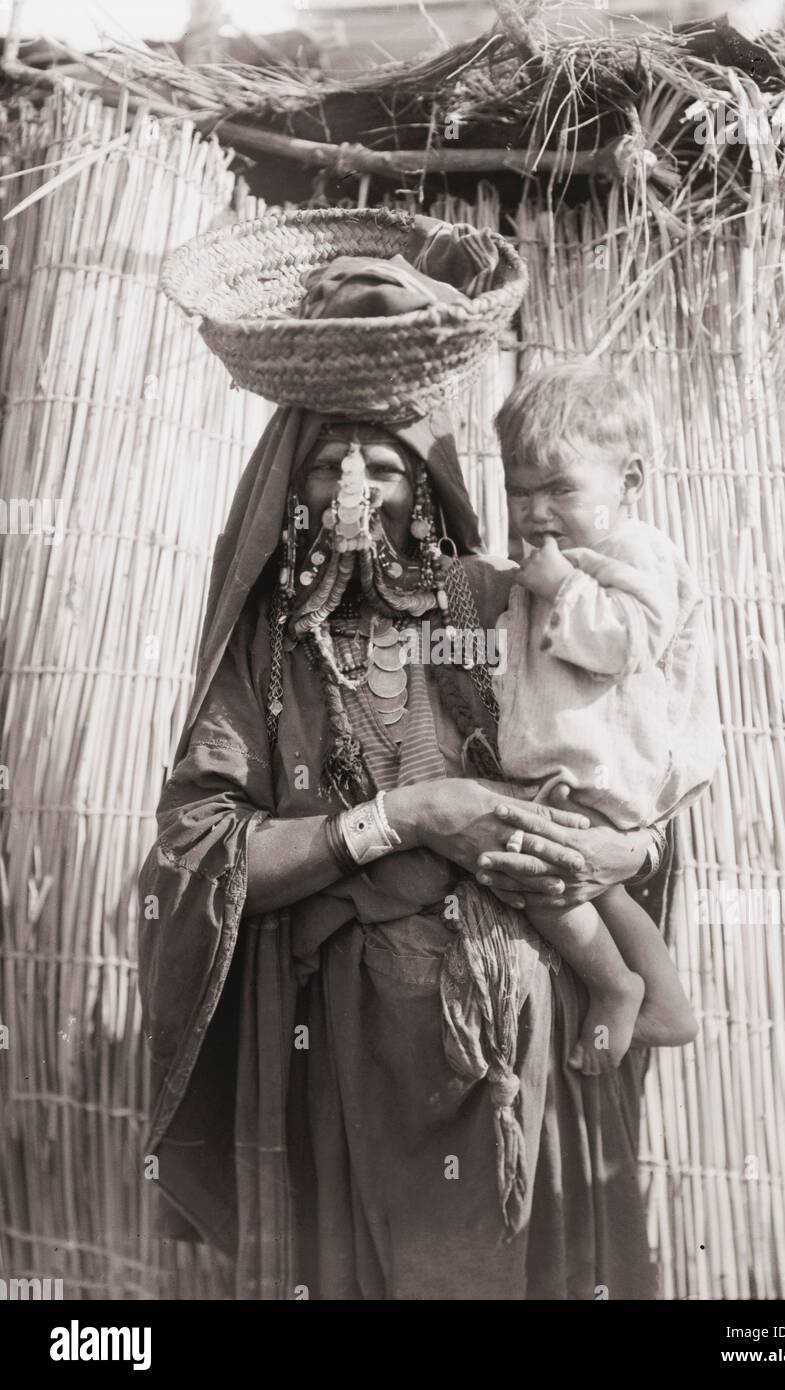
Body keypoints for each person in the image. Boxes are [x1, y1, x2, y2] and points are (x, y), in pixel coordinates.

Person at [138, 215, 675, 1299]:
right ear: (288, 482)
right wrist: (408, 814)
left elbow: (630, 768)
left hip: (536, 1034)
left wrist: (619, 853)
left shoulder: (504, 600)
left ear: (425, 478)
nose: (352, 485)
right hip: (357, 1054)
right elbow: (196, 852)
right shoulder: (267, 649)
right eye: (326, 458)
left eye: (379, 462)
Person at [489, 362, 724, 1071]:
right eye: (519, 492)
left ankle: (615, 984)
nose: (536, 512)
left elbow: (628, 640)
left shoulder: (636, 551)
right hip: (572, 769)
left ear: (629, 482)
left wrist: (561, 586)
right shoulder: (563, 559)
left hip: (606, 769)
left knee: (532, 868)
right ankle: (664, 998)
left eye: (561, 489)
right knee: (593, 885)